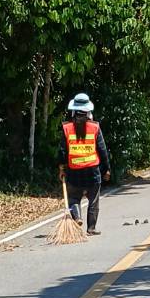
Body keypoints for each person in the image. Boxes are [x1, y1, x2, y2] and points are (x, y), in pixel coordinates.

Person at [58, 93, 110, 235]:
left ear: (73, 112)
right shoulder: (95, 127)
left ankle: (78, 217)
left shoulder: (66, 128)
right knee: (93, 201)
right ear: (88, 112)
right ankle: (91, 228)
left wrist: (62, 168)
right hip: (93, 171)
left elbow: (62, 151)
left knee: (74, 198)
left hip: (74, 171)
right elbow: (103, 150)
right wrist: (107, 169)